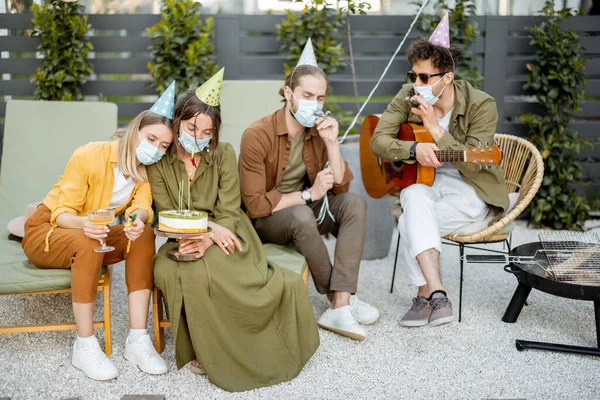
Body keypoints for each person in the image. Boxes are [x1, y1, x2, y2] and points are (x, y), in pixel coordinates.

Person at [147, 69, 319, 392]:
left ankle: (232, 345)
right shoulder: (159, 161)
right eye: (191, 128)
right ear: (177, 123)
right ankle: (204, 345)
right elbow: (165, 211)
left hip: (230, 232)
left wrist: (211, 236)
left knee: (217, 269)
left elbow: (228, 210)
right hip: (179, 236)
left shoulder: (223, 154)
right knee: (172, 270)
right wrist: (203, 231)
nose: (198, 137)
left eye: (206, 132)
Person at [21, 81, 177, 380]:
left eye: (163, 146)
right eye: (151, 138)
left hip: (94, 234)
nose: (156, 148)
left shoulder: (144, 171)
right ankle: (84, 344)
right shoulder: (90, 154)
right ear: (135, 131)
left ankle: (137, 339)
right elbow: (62, 213)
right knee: (90, 238)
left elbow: (143, 207)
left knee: (144, 235)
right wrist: (89, 225)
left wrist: (137, 221)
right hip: (47, 231)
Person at [370, 15, 509, 327]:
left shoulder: (481, 104)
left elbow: (477, 159)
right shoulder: (408, 94)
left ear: (447, 78)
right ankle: (438, 293)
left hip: (472, 190)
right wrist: (412, 149)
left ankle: (423, 296)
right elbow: (378, 141)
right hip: (427, 184)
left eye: (424, 77)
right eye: (413, 75)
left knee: (409, 221)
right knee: (413, 194)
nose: (416, 84)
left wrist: (435, 129)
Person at [239, 38, 380, 341]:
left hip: (308, 209)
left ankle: (341, 303)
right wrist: (309, 194)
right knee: (302, 213)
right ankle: (340, 300)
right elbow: (255, 206)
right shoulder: (257, 134)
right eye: (307, 95)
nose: (314, 104)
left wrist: (331, 143)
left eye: (320, 98)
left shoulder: (319, 130)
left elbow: (341, 186)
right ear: (289, 94)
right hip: (269, 218)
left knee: (354, 204)